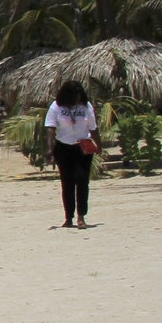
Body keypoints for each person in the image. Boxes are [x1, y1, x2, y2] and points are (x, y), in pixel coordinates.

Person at [45, 80, 101, 229]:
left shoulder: (86, 106)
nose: (76, 99)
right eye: (73, 96)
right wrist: (49, 148)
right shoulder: (56, 106)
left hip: (82, 148)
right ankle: (68, 217)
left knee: (82, 180)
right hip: (63, 148)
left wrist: (99, 145)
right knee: (67, 183)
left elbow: (93, 128)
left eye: (78, 95)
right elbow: (50, 127)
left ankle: (81, 216)